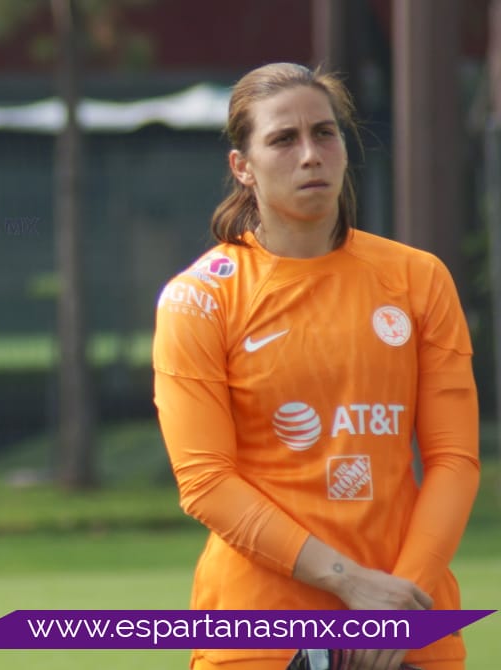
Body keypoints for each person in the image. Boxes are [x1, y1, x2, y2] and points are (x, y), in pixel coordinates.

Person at [152, 62, 479, 670]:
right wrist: (350, 583)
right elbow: (206, 482)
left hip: (406, 622)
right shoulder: (200, 298)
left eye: (324, 133)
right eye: (283, 139)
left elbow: (454, 460)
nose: (310, 155)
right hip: (259, 631)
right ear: (242, 166)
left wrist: (399, 601)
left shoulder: (418, 279)